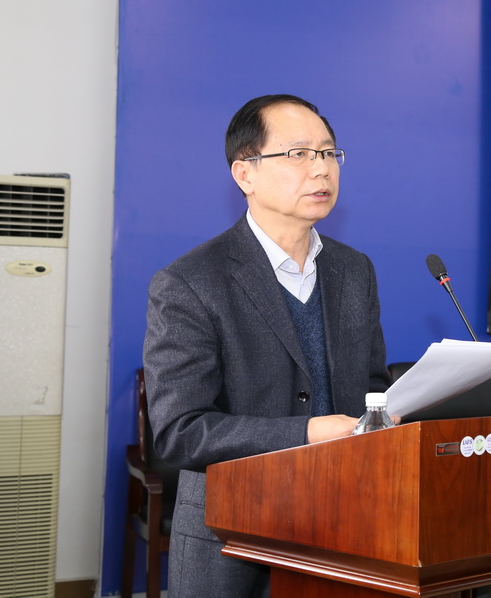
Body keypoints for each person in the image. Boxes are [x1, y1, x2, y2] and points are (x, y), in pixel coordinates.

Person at [142, 94, 391, 597]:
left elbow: (371, 386)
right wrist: (308, 432)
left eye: (329, 153)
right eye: (298, 153)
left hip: (344, 525)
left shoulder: (354, 271)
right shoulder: (190, 282)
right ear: (245, 174)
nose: (321, 169)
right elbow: (180, 432)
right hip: (232, 535)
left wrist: (383, 416)